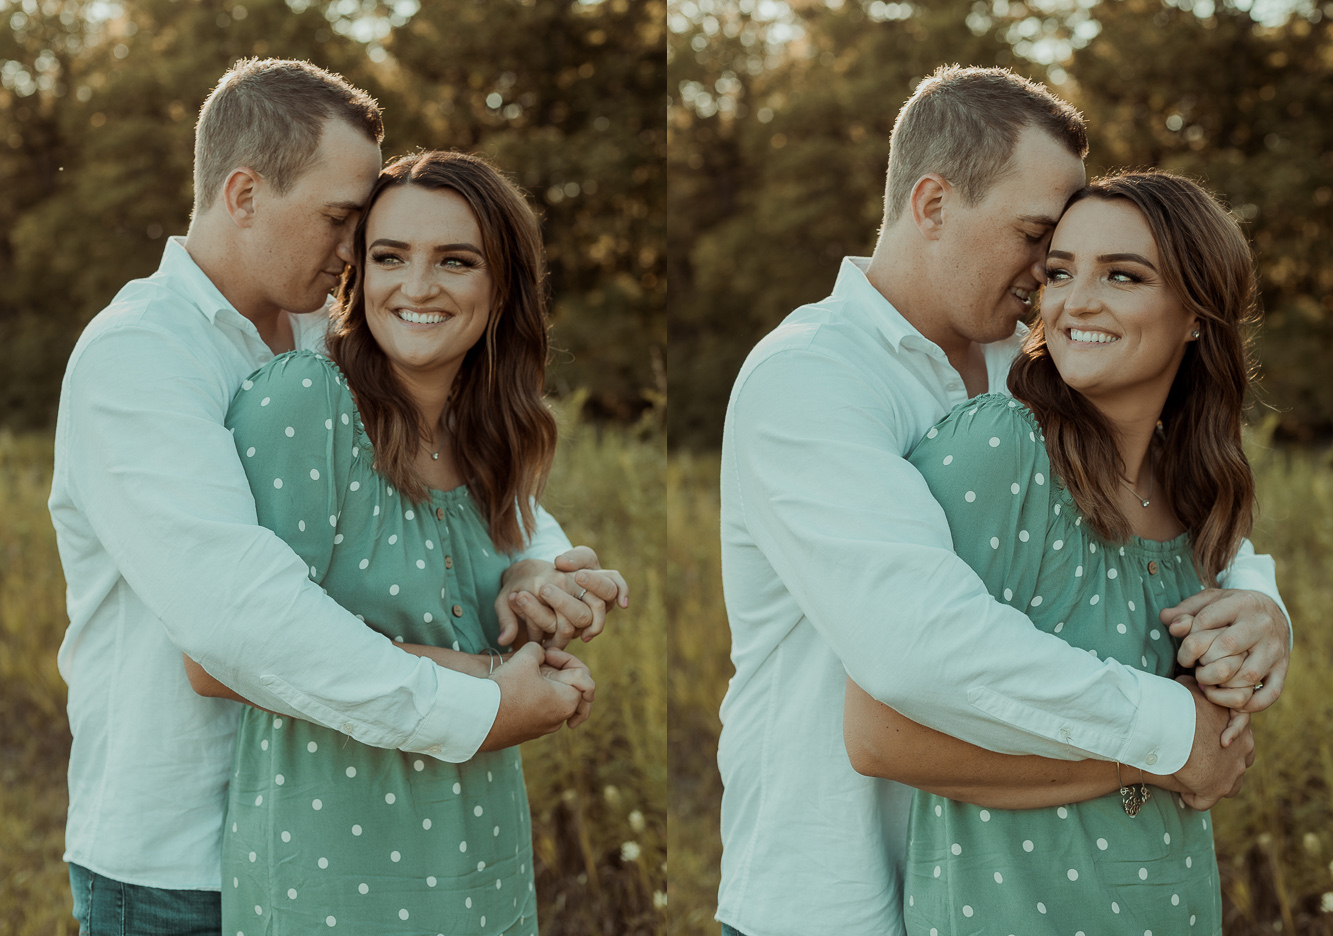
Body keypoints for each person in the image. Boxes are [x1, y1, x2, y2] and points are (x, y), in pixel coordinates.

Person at [49, 59, 624, 934]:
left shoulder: (332, 335)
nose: (357, 250)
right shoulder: (139, 358)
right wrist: (480, 698)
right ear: (243, 192)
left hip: (347, 823)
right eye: (339, 219)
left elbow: (452, 465)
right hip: (177, 857)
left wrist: (530, 564)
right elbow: (238, 621)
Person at [716, 66, 1290, 936]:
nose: (1047, 282)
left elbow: (1158, 497)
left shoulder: (1020, 369)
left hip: (1004, 885)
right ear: (934, 204)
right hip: (831, 890)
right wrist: (1174, 736)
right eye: (1036, 240)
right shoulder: (811, 377)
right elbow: (917, 646)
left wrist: (1257, 597)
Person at [179, 150, 600, 933]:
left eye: (455, 261)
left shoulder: (489, 433)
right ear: (357, 274)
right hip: (331, 868)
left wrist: (541, 590)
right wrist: (490, 681)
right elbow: (222, 657)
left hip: (483, 853)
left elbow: (507, 577)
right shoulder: (305, 403)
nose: (417, 287)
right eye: (389, 257)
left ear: (499, 284)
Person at [845, 170, 1260, 934]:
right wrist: (1153, 754)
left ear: (1196, 316)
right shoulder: (998, 451)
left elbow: (1216, 739)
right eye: (1060, 272)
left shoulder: (1196, 484)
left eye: (1123, 276)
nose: (1075, 302)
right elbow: (882, 737)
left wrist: (1264, 621)